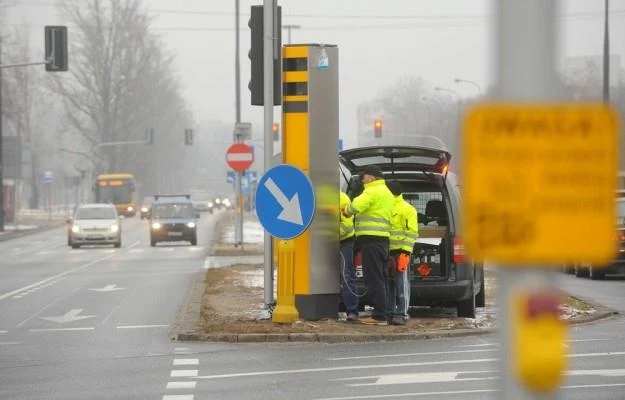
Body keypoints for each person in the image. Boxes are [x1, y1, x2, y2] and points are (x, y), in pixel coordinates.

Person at [342, 165, 394, 326]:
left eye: (364, 177)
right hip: (383, 240)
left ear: (371, 178)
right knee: (381, 277)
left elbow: (355, 206)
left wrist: (346, 210)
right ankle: (384, 312)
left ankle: (379, 316)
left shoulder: (372, 191)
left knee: (373, 279)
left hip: (371, 240)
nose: (363, 180)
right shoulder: (387, 192)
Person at [385, 180, 418, 326]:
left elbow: (412, 232)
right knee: (389, 284)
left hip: (400, 253)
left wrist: (406, 252)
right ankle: (390, 313)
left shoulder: (407, 209)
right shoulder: (385, 207)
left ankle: (402, 313)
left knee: (401, 284)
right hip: (387, 252)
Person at [339, 191, 359, 321]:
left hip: (344, 240)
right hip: (324, 241)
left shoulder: (342, 199)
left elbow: (346, 226)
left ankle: (352, 310)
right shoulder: (315, 196)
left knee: (346, 275)